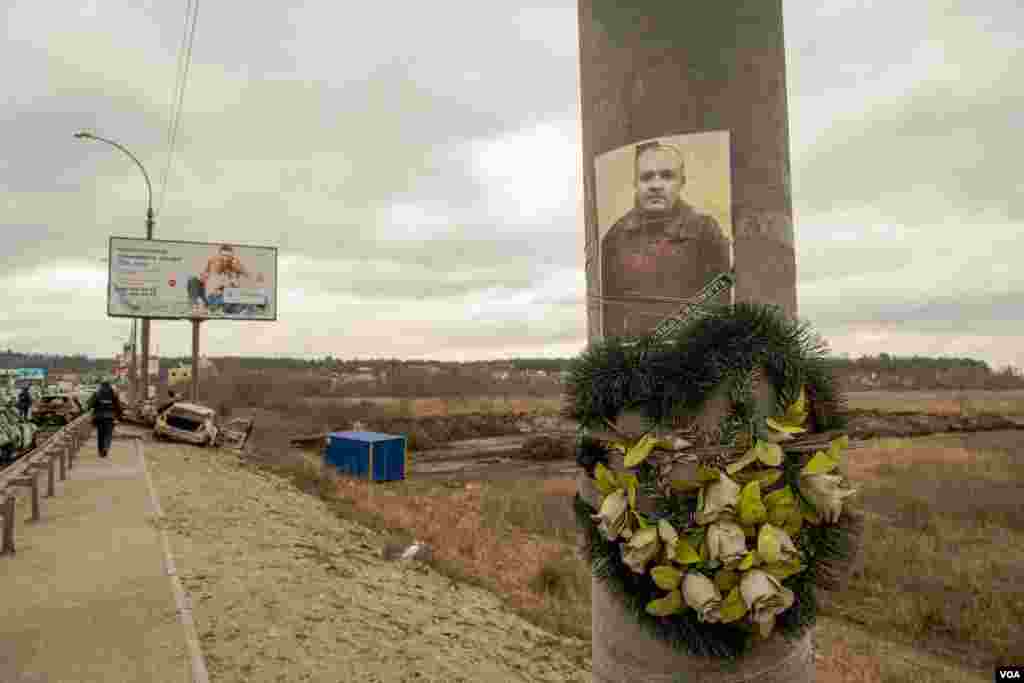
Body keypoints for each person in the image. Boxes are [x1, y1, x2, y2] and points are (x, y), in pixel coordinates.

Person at [600, 140, 731, 338]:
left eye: (667, 176)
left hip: (691, 354)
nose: (656, 185)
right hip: (635, 356)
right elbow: (609, 314)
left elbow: (719, 303)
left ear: (682, 182)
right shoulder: (615, 237)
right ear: (635, 183)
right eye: (646, 177)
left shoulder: (705, 231)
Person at [187, 244, 266, 316]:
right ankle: (196, 307)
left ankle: (246, 307)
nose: (225, 259)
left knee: (259, 297)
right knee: (192, 279)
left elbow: (248, 275)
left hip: (224, 298)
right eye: (223, 256)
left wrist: (254, 279)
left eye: (228, 257)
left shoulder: (235, 264)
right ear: (219, 255)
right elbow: (202, 279)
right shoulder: (212, 262)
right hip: (211, 297)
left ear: (232, 257)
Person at [87, 381, 124, 458]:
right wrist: (119, 417)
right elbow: (118, 406)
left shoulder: (97, 393)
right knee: (108, 434)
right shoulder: (114, 393)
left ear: (101, 386)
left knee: (100, 434)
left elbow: (90, 404)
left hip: (99, 417)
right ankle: (106, 448)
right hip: (110, 417)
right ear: (109, 386)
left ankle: (100, 451)